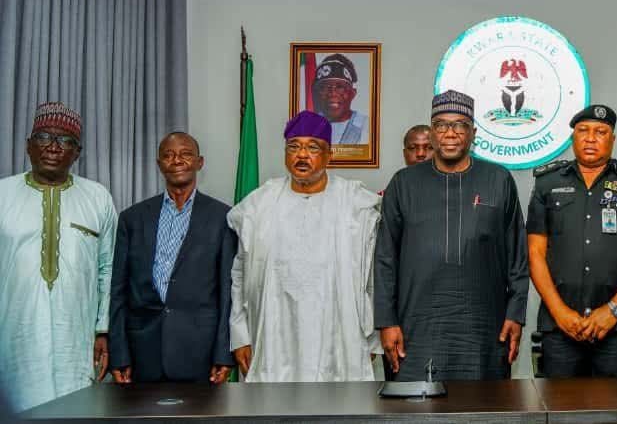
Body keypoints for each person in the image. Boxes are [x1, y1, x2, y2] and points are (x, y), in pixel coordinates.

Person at [375, 90, 528, 381]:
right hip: (415, 327)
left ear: (473, 133)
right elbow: (385, 258)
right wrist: (386, 321)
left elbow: (518, 257)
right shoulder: (403, 184)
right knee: (415, 404)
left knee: (483, 404)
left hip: (484, 327)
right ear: (432, 132)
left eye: (460, 125)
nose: (450, 133)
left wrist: (516, 314)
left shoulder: (498, 180)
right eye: (441, 125)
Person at [228, 111, 381, 382]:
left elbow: (373, 276)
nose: (301, 155)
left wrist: (372, 339)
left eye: (313, 147)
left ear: (329, 154)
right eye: (294, 147)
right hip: (275, 335)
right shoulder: (260, 204)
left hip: (338, 337)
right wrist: (240, 335)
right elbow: (240, 274)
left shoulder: (355, 203)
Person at [528, 104, 617, 377]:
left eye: (600, 132)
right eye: (583, 131)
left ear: (612, 139)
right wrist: (560, 312)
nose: (591, 138)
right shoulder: (547, 182)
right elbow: (535, 253)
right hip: (560, 325)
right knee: (560, 403)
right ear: (572, 138)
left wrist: (612, 310)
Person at [0, 102, 117, 412]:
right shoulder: (3, 195)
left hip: (76, 339)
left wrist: (103, 329)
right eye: (44, 137)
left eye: (65, 140)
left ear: (77, 153)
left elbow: (108, 269)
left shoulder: (98, 198)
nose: (53, 147)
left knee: (75, 409)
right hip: (13, 336)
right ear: (28, 145)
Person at [108, 132, 236, 384]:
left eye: (185, 154)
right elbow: (118, 291)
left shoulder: (223, 218)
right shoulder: (132, 219)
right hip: (143, 351)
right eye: (168, 155)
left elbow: (227, 292)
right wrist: (119, 354)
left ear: (199, 162)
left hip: (200, 352)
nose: (177, 160)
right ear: (159, 164)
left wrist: (224, 354)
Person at [312, 53, 368, 145]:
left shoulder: (367, 125)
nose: (332, 93)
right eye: (324, 88)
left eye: (340, 87)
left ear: (352, 93)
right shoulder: (309, 125)